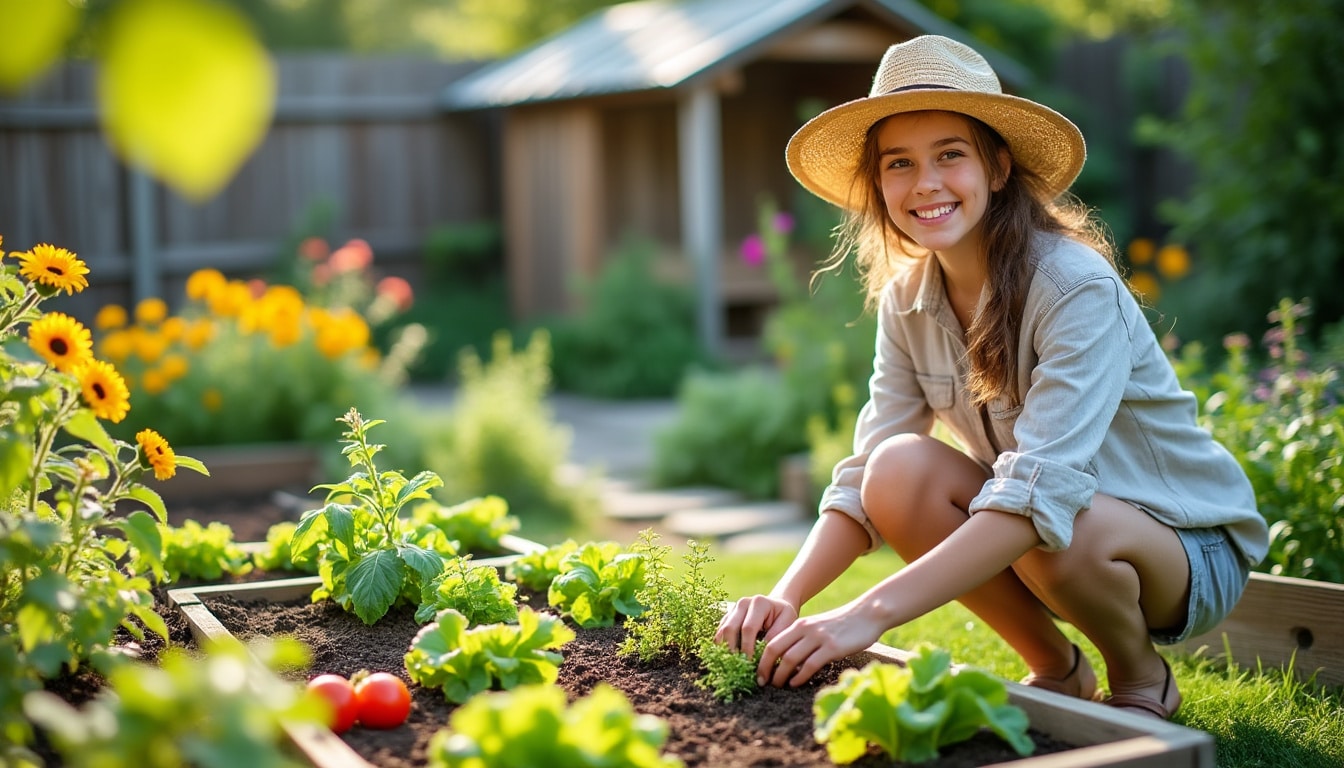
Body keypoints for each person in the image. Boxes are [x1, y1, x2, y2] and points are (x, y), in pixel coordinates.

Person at [713, 34, 1268, 721]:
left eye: (951, 155)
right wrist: (787, 596)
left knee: (1063, 520)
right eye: (899, 164)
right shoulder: (908, 299)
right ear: (879, 184)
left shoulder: (1073, 287)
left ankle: (1140, 679)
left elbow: (1042, 489)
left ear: (998, 167)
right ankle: (1057, 668)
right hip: (1051, 525)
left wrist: (866, 616)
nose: (926, 184)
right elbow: (863, 483)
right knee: (897, 470)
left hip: (1186, 547)